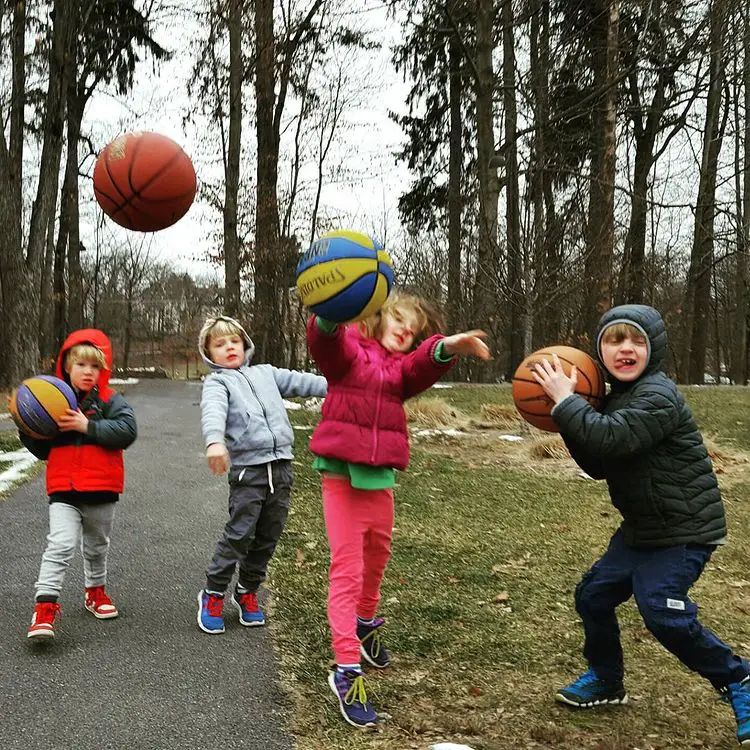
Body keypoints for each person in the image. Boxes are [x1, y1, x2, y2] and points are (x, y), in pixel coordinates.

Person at [532, 303, 750, 746]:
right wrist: (568, 416)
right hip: (643, 529)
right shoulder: (614, 399)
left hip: (684, 528)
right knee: (593, 595)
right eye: (615, 340)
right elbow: (598, 462)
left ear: (655, 350)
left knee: (661, 610)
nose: (625, 348)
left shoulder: (658, 396)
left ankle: (739, 681)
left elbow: (611, 436)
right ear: (600, 350)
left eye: (637, 340)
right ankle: (607, 680)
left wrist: (567, 402)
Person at [306, 291, 491, 728]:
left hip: (380, 479)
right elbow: (325, 341)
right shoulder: (350, 351)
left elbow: (420, 365)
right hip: (341, 476)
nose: (406, 331)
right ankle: (346, 670)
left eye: (413, 330)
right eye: (399, 320)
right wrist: (330, 316)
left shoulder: (399, 371)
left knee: (378, 558)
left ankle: (366, 622)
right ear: (375, 318)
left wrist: (448, 346)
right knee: (347, 572)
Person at [197, 315, 327, 634]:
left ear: (245, 346)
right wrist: (214, 442)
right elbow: (213, 411)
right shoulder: (218, 383)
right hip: (248, 471)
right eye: (220, 343)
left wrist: (343, 384)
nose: (229, 347)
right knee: (240, 533)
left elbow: (305, 382)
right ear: (209, 354)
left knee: (269, 533)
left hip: (281, 467)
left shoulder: (266, 373)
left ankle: (247, 591)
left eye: (234, 341)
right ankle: (213, 593)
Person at [22, 329, 137, 640]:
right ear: (66, 367)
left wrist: (88, 426)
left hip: (102, 489)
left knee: (97, 547)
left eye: (95, 366)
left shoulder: (111, 401)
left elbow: (127, 431)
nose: (88, 372)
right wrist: (28, 429)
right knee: (59, 545)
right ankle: (44, 608)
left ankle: (95, 592)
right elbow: (43, 450)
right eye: (81, 365)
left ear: (103, 369)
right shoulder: (52, 403)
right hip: (64, 490)